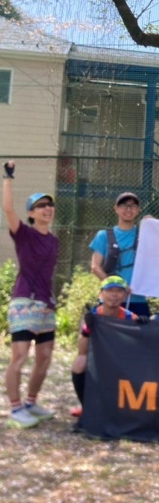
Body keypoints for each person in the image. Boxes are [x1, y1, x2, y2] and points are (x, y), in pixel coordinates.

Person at [3, 161, 59, 429]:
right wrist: (8, 177)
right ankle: (15, 409)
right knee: (20, 356)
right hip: (24, 302)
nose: (48, 208)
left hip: (47, 305)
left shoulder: (54, 240)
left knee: (45, 356)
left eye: (50, 205)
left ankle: (31, 402)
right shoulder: (23, 234)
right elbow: (8, 209)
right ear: (31, 213)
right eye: (41, 205)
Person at [70, 276, 140, 412]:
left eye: (119, 291)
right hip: (97, 360)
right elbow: (82, 351)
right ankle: (86, 408)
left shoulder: (130, 318)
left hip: (121, 361)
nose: (114, 295)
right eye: (109, 290)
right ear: (101, 294)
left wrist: (143, 326)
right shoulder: (92, 316)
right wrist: (87, 330)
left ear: (125, 295)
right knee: (79, 363)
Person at [89, 191, 149, 316]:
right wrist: (115, 286)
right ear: (116, 209)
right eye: (124, 205)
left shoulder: (145, 234)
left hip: (137, 299)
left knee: (141, 328)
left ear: (138, 210)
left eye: (133, 206)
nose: (128, 209)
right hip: (110, 300)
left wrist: (154, 225)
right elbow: (95, 267)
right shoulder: (103, 235)